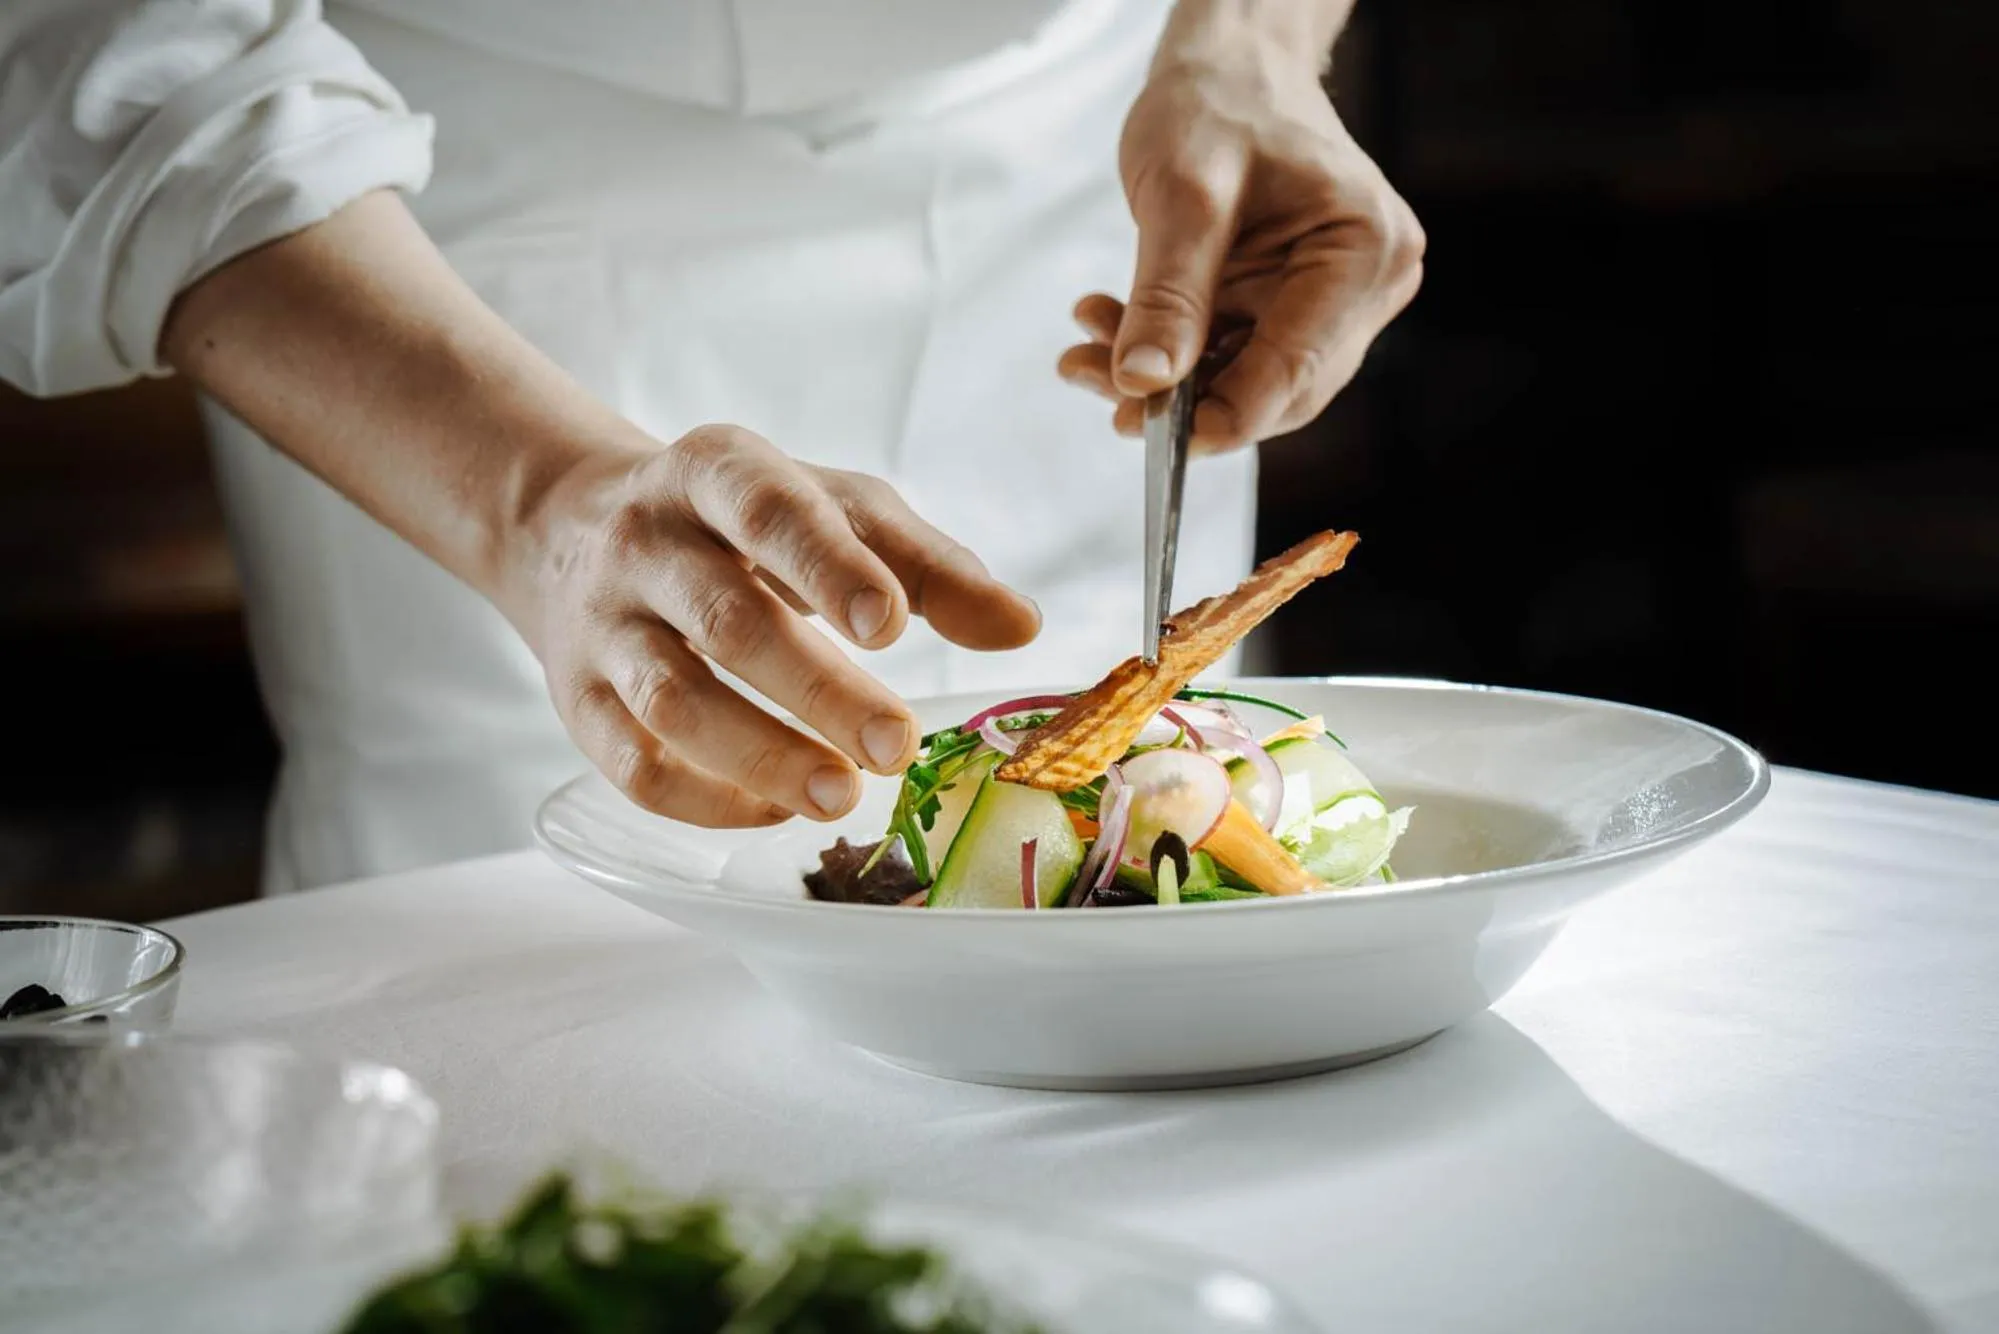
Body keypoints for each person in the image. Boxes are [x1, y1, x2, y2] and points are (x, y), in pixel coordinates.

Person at [0, 0, 1421, 893]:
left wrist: (1252, 37)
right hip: (406, 218)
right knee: (529, 957)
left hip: (1090, 143)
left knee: (1154, 854)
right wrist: (539, 501)